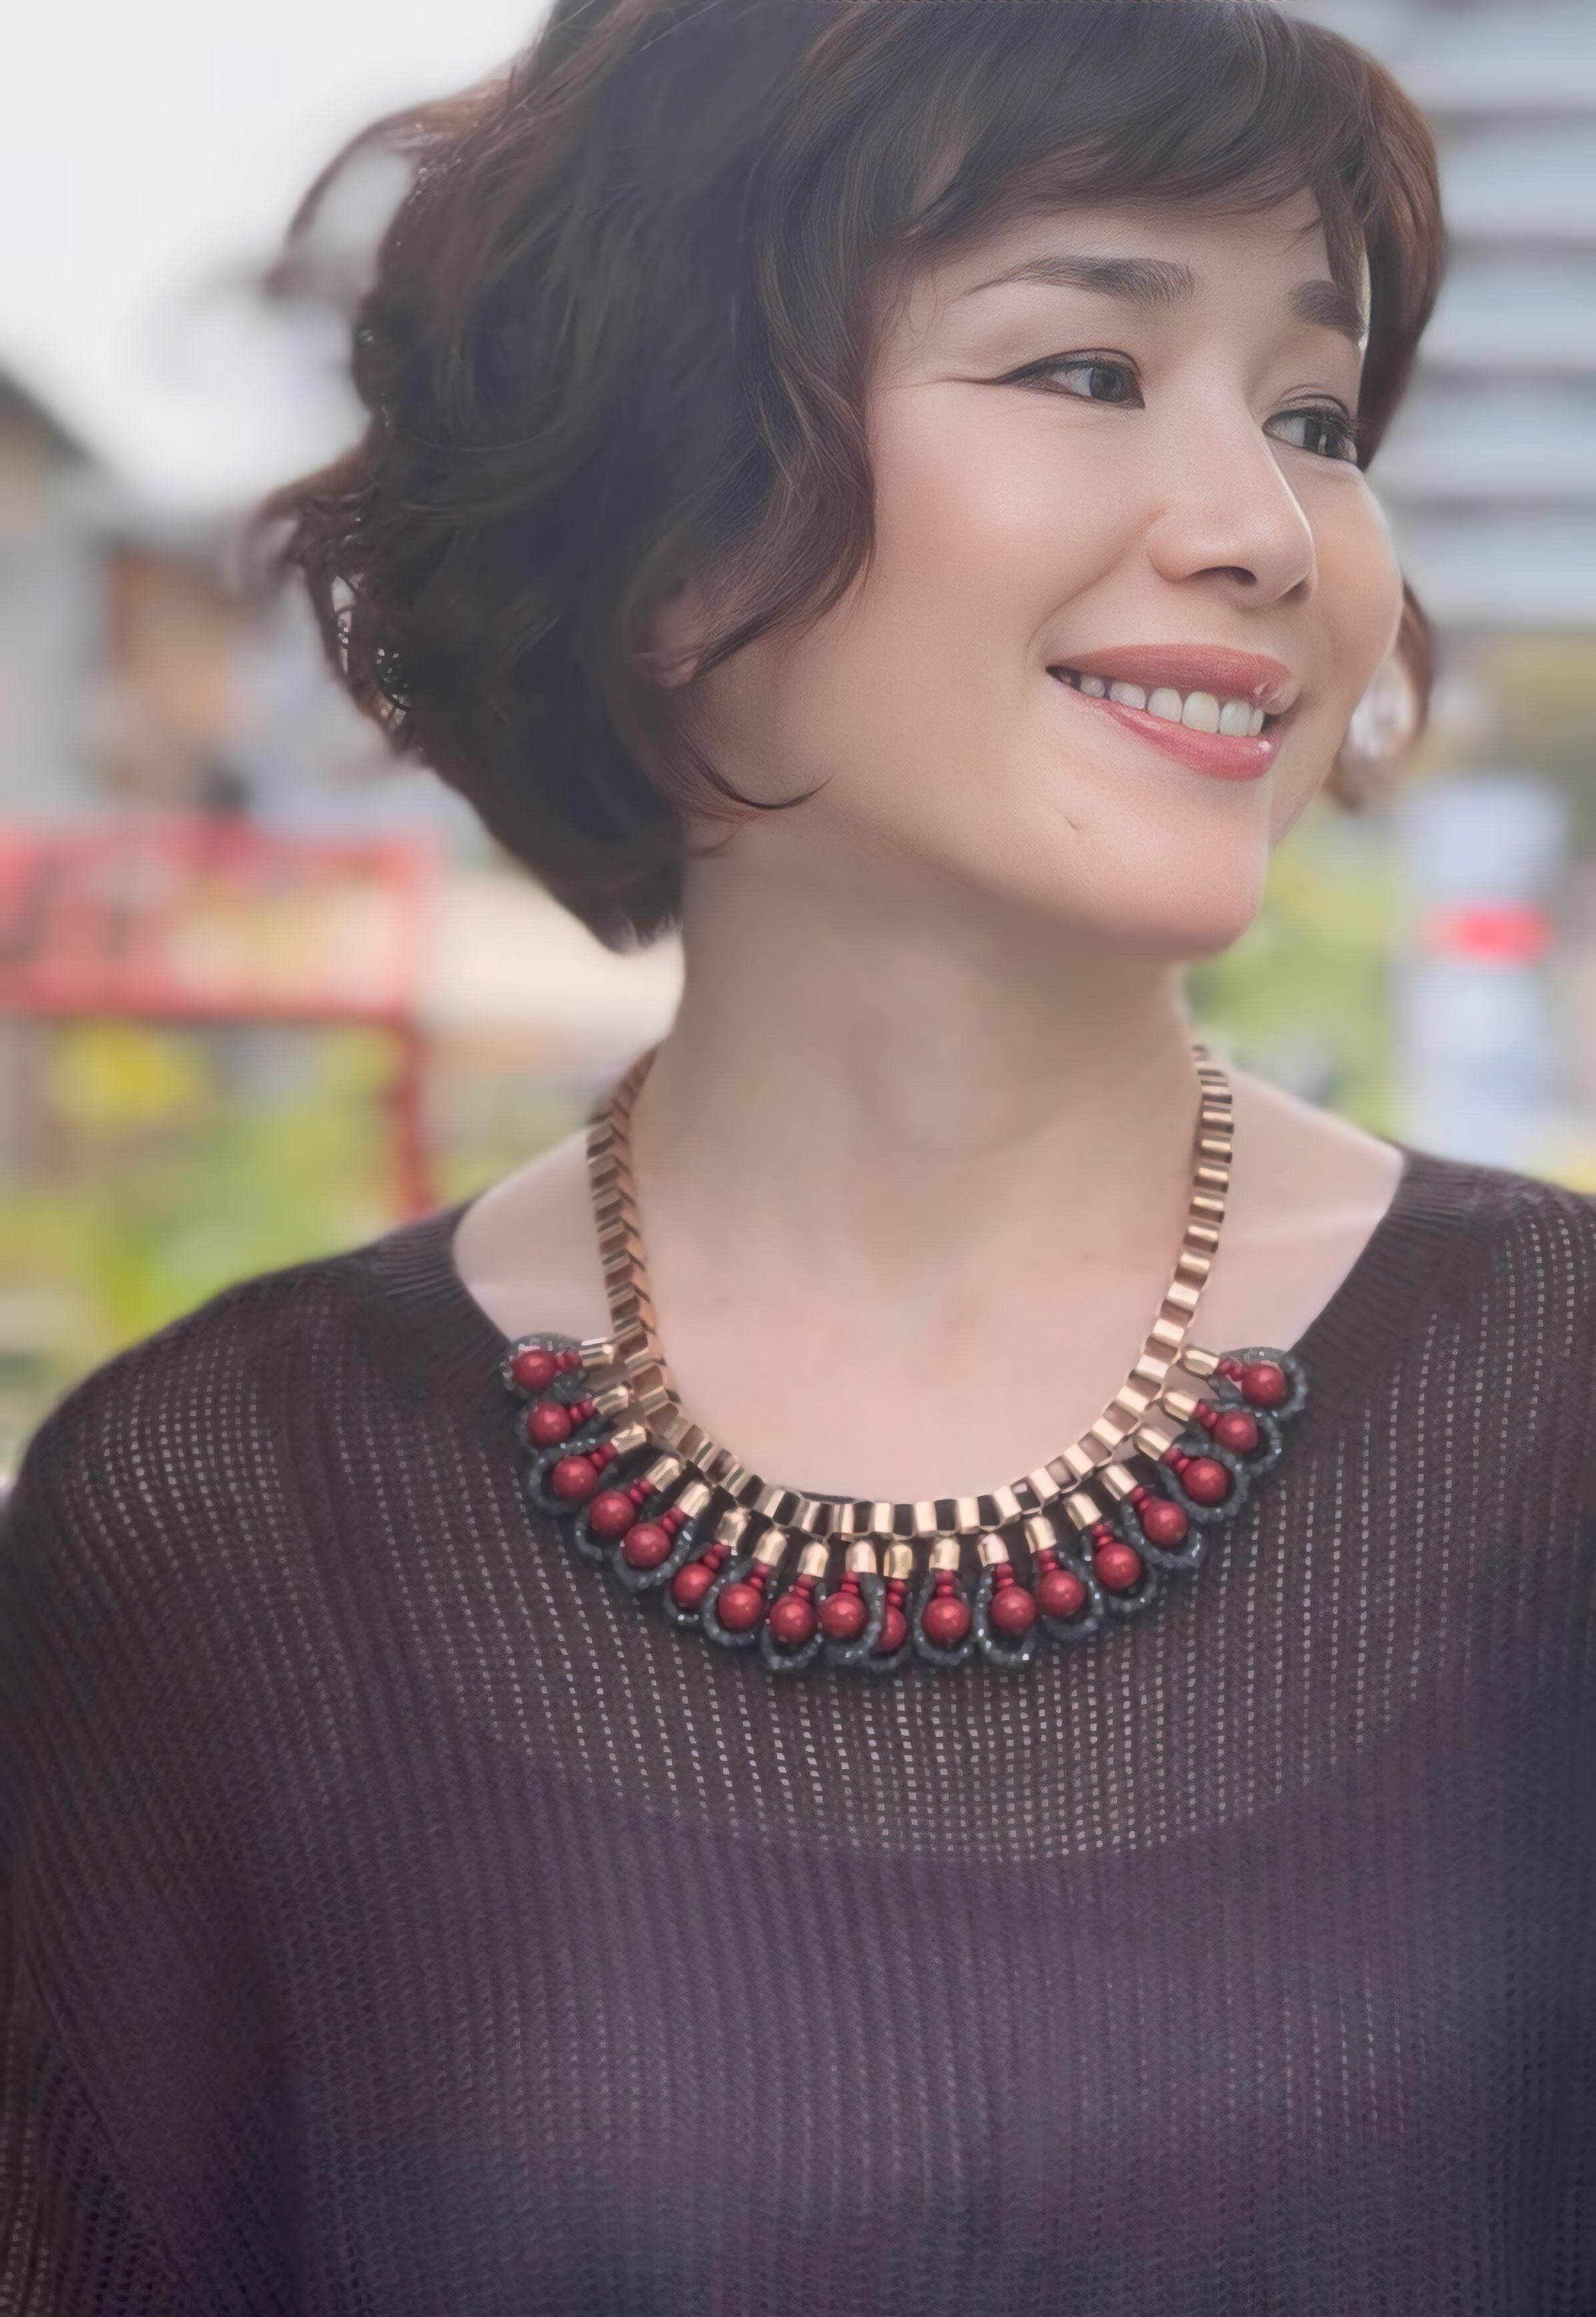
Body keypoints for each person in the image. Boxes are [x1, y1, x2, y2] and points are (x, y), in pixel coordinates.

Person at [3, 1, 1593, 2310]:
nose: (1267, 533)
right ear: (670, 512)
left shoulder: (1559, 1413)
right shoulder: (214, 1524)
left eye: (1317, 418)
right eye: (1087, 368)